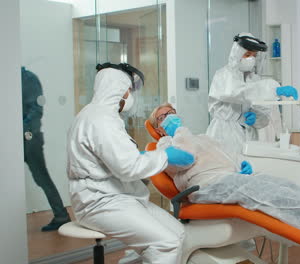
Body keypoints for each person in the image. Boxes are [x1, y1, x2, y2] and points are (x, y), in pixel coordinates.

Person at [149, 104, 300, 245]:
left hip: (229, 179)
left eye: (171, 113)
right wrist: (177, 130)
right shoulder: (165, 145)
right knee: (267, 194)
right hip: (205, 186)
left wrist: (241, 165)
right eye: (162, 117)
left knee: (283, 186)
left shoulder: (201, 137)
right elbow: (185, 158)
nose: (169, 117)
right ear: (158, 129)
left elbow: (228, 156)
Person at [67, 63, 196, 264]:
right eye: (128, 90)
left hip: (120, 196)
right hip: (99, 202)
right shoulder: (100, 120)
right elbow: (128, 167)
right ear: (117, 89)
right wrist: (164, 155)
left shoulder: (103, 116)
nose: (130, 96)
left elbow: (121, 160)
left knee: (179, 233)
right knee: (167, 242)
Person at [206, 32, 299, 156]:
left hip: (248, 134)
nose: (251, 59)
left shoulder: (254, 80)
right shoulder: (224, 75)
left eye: (254, 55)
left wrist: (256, 118)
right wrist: (274, 88)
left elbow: (263, 114)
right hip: (224, 133)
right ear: (237, 54)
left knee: (248, 170)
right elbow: (237, 93)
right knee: (227, 169)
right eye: (247, 54)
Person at [21, 66, 71, 231]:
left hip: (29, 139)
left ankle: (61, 216)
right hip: (19, 138)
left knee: (41, 178)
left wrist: (23, 131)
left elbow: (36, 110)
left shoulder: (27, 79)